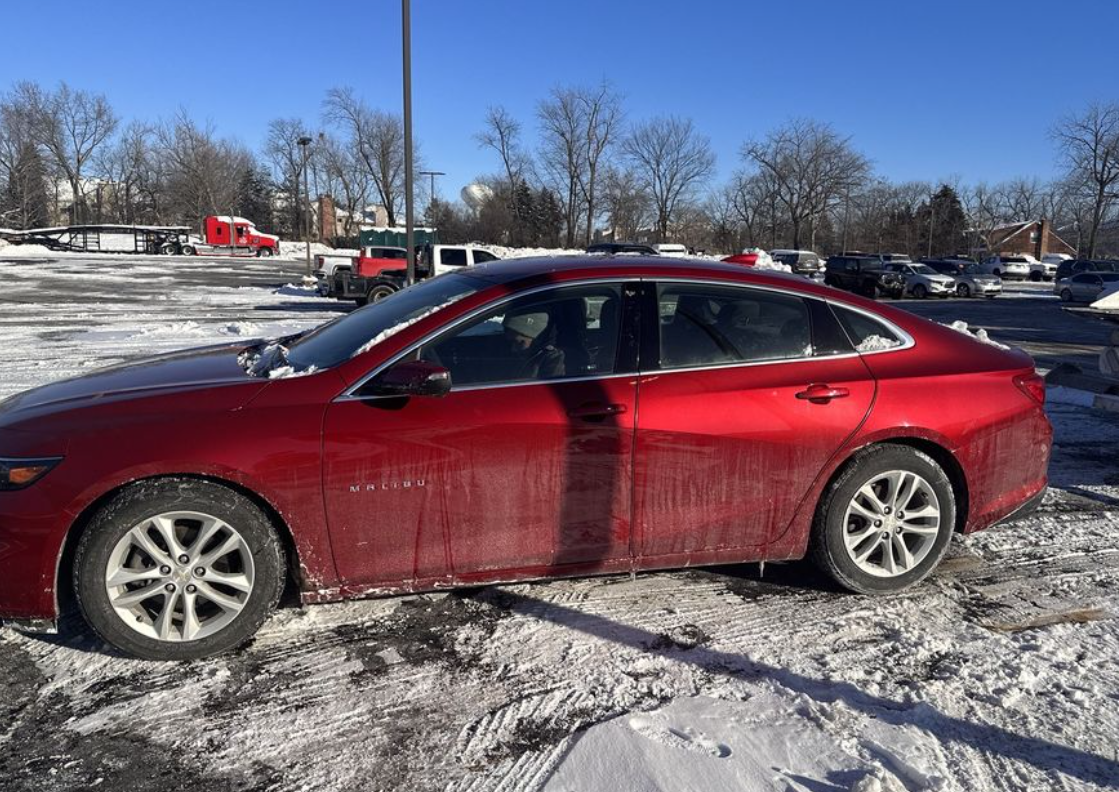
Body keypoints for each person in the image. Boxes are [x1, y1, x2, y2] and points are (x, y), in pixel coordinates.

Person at [503, 311, 565, 380]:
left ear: (537, 339)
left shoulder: (554, 358)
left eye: (519, 343)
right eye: (510, 342)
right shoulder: (525, 355)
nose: (513, 349)